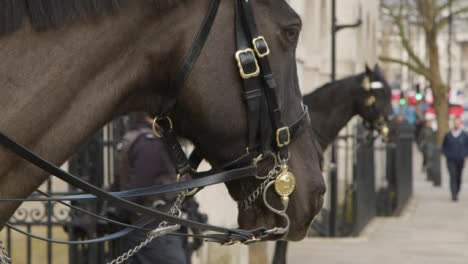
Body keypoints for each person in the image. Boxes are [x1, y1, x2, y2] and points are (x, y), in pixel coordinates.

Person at [112, 112, 204, 264]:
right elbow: (138, 188)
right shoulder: (150, 142)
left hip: (154, 226)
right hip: (156, 229)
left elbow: (120, 183)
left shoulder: (135, 137)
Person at [442, 117, 468, 201]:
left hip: (460, 159)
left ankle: (457, 190)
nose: (456, 124)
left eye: (458, 123)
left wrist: (464, 154)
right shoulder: (448, 135)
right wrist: (447, 154)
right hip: (451, 159)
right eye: (455, 122)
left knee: (458, 176)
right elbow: (444, 146)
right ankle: (453, 194)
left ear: (460, 124)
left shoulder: (464, 135)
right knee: (452, 175)